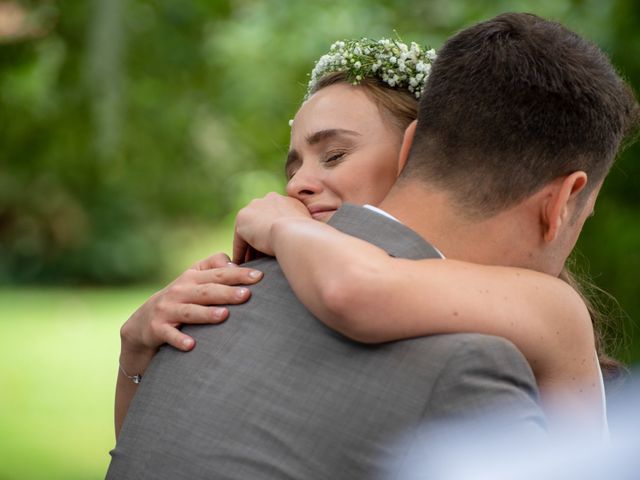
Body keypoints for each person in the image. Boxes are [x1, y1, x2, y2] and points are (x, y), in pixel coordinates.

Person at [108, 14, 638, 479]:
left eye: (335, 155)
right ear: (565, 201)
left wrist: (280, 227)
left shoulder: (215, 307)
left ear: (410, 148)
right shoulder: (473, 365)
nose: (297, 188)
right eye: (293, 166)